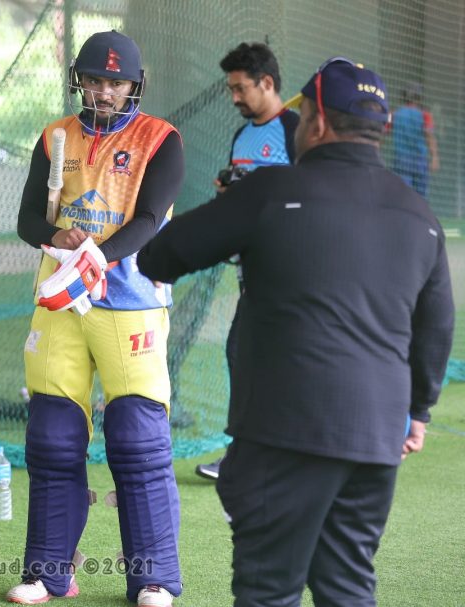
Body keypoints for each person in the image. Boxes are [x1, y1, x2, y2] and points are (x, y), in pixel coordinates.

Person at [137, 58, 453, 606]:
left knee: (268, 590)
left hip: (283, 431)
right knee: (348, 587)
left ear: (319, 123)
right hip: (376, 435)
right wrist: (418, 412)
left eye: (302, 115)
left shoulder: (272, 190)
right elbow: (436, 326)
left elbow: (159, 257)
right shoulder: (420, 214)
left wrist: (234, 209)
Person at [8, 31, 184, 607]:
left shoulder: (161, 139)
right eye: (95, 80)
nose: (104, 91)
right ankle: (48, 574)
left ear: (134, 85)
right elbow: (27, 219)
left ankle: (153, 579)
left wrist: (98, 256)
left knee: (137, 438)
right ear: (79, 81)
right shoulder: (54, 136)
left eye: (116, 82)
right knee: (53, 437)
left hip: (130, 300)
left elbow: (151, 219)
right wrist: (57, 236)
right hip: (61, 301)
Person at [196, 42, 300, 481]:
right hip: (253, 272)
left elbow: (312, 195)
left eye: (241, 88)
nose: (234, 97)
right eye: (231, 89)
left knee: (268, 356)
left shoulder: (296, 129)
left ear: (267, 83)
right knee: (244, 352)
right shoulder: (243, 136)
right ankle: (253, 455)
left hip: (292, 272)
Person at [389, 81, 439, 198]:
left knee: (403, 196)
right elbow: (429, 136)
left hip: (401, 159)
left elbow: (383, 132)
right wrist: (435, 157)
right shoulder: (425, 115)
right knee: (421, 197)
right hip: (420, 161)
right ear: (419, 97)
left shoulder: (394, 114)